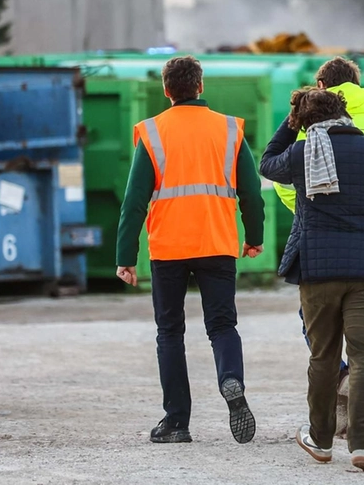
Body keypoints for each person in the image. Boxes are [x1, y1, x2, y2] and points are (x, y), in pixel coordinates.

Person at [260, 88, 364, 473]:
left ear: (306, 121)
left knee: (324, 356)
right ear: (345, 113)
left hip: (318, 271)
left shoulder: (302, 153)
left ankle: (319, 439)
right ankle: (363, 444)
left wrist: (291, 120)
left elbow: (266, 163)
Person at [114, 55, 266, 445]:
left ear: (167, 91)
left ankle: (176, 422)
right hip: (216, 242)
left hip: (168, 248)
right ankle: (230, 379)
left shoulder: (152, 132)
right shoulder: (229, 129)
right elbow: (251, 192)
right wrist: (254, 236)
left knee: (170, 332)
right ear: (201, 87)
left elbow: (134, 201)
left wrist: (125, 257)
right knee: (222, 325)